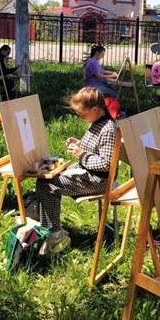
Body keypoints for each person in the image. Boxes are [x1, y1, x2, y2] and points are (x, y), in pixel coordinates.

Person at [23, 87, 117, 253]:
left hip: (99, 180)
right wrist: (81, 143)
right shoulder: (96, 122)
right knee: (45, 178)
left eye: (82, 114)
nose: (80, 117)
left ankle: (55, 236)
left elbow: (107, 164)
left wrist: (81, 154)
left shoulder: (108, 128)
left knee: (48, 185)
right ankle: (51, 230)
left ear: (95, 109)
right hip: (87, 171)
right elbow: (96, 147)